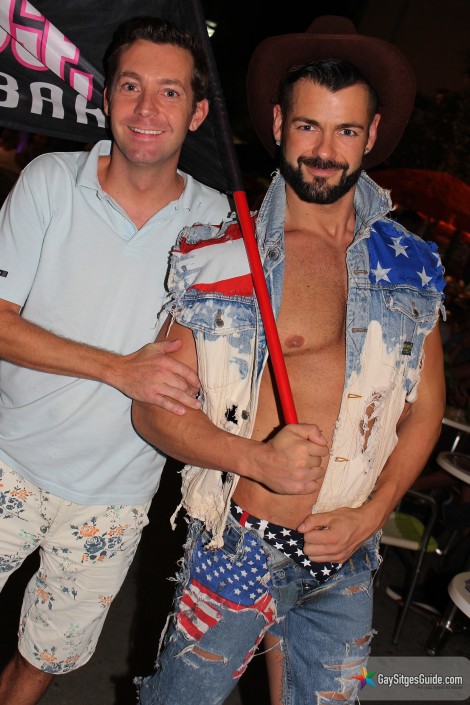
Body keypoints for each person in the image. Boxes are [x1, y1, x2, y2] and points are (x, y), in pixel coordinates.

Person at [132, 16, 446, 705]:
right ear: (278, 124)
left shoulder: (411, 266)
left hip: (348, 556)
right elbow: (152, 409)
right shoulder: (221, 256)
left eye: (346, 130)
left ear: (372, 133)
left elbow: (426, 409)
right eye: (308, 126)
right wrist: (253, 458)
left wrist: (374, 513)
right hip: (240, 549)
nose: (326, 151)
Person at [0, 16, 234, 705]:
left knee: (43, 659)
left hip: (116, 499)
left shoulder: (219, 226)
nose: (146, 108)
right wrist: (117, 368)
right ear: (107, 97)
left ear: (197, 113)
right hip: (8, 461)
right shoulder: (50, 181)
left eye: (169, 92)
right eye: (131, 86)